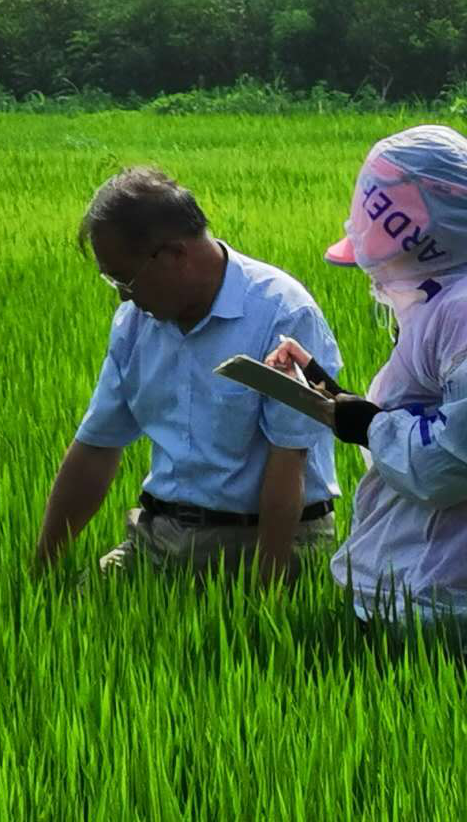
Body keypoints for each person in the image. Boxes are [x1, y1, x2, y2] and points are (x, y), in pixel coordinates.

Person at [265, 125, 467, 638]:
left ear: (425, 243)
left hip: (442, 599)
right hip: (418, 587)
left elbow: (459, 458)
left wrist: (368, 426)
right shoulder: (461, 297)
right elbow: (418, 419)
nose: (378, 277)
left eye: (388, 258)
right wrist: (330, 393)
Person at [33, 166, 342, 585]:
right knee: (73, 606)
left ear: (175, 255)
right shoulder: (135, 323)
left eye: (126, 279)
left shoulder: (282, 313)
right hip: (159, 538)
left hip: (267, 540)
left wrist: (268, 592)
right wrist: (42, 571)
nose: (123, 294)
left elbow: (289, 459)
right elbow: (96, 448)